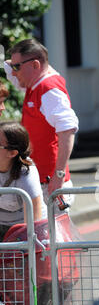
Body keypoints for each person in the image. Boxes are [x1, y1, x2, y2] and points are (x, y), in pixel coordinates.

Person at [3, 38, 79, 214]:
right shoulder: (34, 84)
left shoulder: (48, 89)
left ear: (35, 65)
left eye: (17, 67)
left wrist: (58, 177)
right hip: (42, 182)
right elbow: (8, 65)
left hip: (50, 184)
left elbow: (67, 131)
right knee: (43, 240)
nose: (13, 73)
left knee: (53, 240)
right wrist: (18, 63)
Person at [0, 84, 46, 240]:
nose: (3, 108)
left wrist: (27, 249)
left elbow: (34, 224)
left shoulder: (26, 171)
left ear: (12, 153)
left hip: (24, 229)